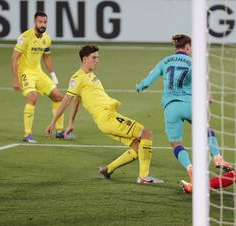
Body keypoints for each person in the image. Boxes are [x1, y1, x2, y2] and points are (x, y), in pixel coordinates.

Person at [45, 45, 163, 184]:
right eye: (94, 58)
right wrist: (53, 122)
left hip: (108, 118)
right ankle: (143, 177)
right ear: (84, 59)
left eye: (98, 57)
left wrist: (71, 122)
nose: (97, 61)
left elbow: (77, 99)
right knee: (146, 134)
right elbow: (66, 100)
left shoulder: (90, 75)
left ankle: (107, 170)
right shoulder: (77, 78)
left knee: (138, 148)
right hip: (106, 117)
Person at [137, 34, 233, 181]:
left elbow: (150, 78)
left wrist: (140, 86)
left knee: (176, 143)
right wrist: (207, 97)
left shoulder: (165, 61)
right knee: (206, 129)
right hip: (190, 105)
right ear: (188, 46)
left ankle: (189, 167)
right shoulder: (192, 62)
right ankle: (218, 158)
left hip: (171, 107)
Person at [11, 11, 73, 143]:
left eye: (44, 22)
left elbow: (47, 59)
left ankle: (60, 131)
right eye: (40, 22)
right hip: (25, 72)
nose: (42, 24)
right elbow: (14, 58)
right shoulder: (25, 37)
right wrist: (16, 79)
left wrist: (54, 78)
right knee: (33, 98)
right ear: (35, 22)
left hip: (38, 72)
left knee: (58, 97)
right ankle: (28, 134)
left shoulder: (47, 39)